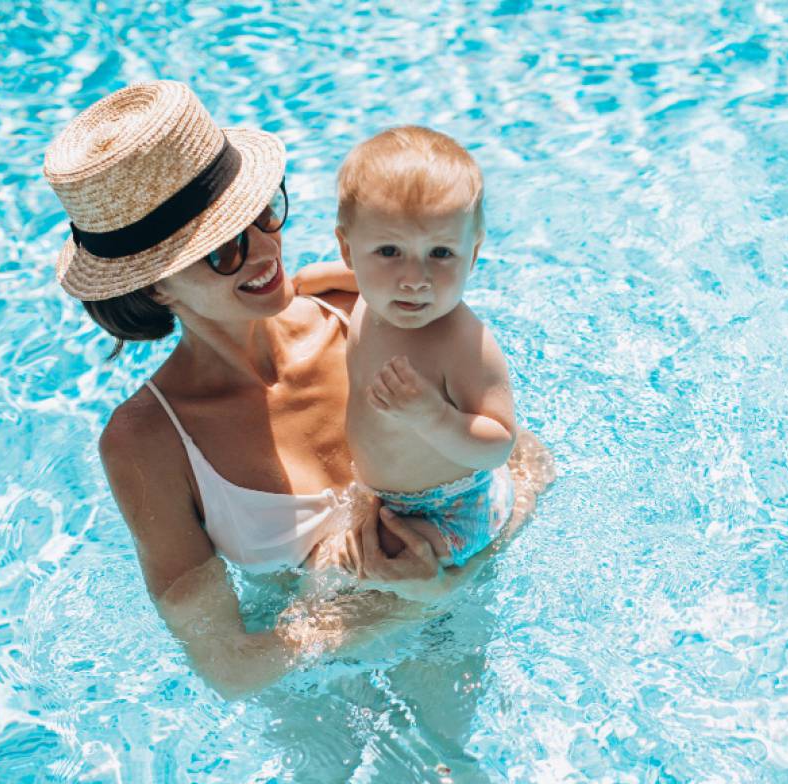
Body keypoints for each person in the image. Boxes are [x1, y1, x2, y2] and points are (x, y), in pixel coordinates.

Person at [42, 80, 553, 703]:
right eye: (222, 249)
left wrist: (454, 579)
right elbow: (227, 664)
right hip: (322, 698)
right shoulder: (148, 443)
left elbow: (530, 463)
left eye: (262, 213)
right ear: (154, 287)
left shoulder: (371, 309)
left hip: (456, 634)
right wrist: (405, 604)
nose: (263, 250)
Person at [296, 126, 516, 571]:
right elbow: (328, 280)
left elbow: (497, 444)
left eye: (440, 253)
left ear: (472, 255)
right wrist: (307, 283)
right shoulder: (369, 292)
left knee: (366, 573)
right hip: (389, 494)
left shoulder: (460, 341)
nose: (414, 277)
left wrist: (433, 417)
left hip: (452, 508)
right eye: (390, 250)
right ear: (348, 250)